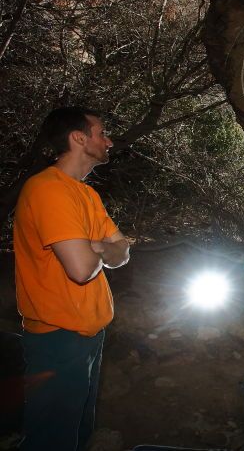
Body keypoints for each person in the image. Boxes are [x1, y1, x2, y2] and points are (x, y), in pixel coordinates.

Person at [13, 106, 130, 451]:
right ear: (78, 138)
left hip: (89, 335)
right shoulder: (48, 190)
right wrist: (101, 249)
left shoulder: (87, 195)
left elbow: (123, 252)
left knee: (77, 434)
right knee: (51, 440)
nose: (108, 140)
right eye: (101, 133)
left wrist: (94, 247)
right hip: (57, 339)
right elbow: (80, 270)